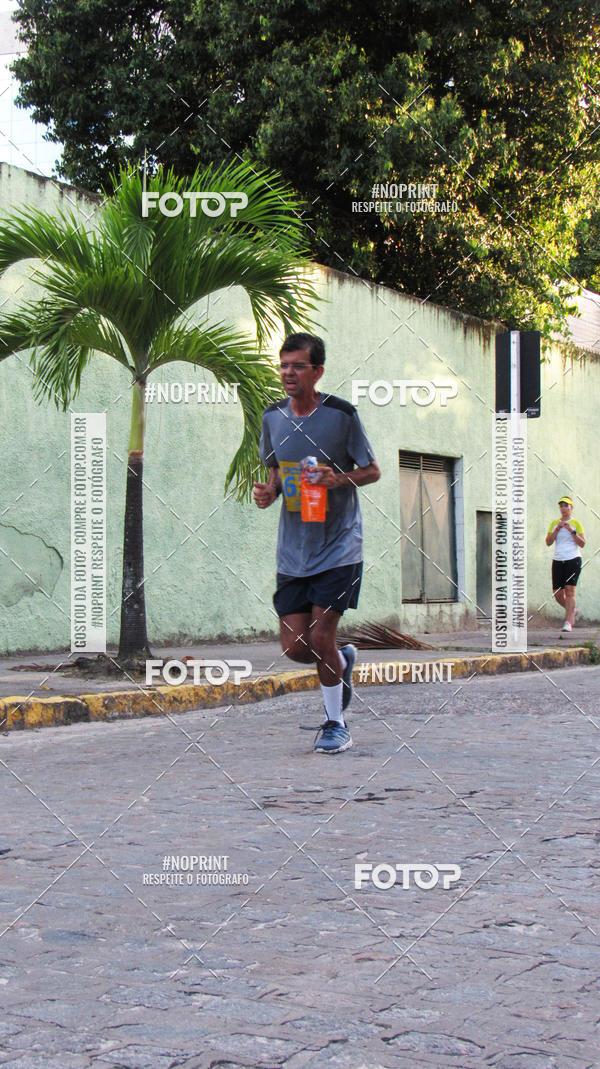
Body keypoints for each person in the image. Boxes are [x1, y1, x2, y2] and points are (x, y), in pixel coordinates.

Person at [254, 333, 380, 754]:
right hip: (293, 551)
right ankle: (341, 661)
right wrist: (269, 492)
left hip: (340, 546)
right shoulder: (272, 417)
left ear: (318, 371)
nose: (288, 373)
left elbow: (372, 470)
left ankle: (335, 723)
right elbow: (275, 471)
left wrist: (337, 479)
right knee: (295, 647)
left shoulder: (342, 415)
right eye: (284, 365)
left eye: (298, 366)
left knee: (322, 634)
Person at [545, 496, 585, 633]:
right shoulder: (554, 523)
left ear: (571, 508)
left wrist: (571, 531)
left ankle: (568, 622)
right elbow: (548, 542)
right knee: (557, 593)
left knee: (569, 591)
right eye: (561, 506)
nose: (563, 508)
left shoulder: (576, 523)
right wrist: (557, 529)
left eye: (566, 505)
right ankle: (572, 610)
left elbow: (582, 543)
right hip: (558, 560)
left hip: (573, 559)